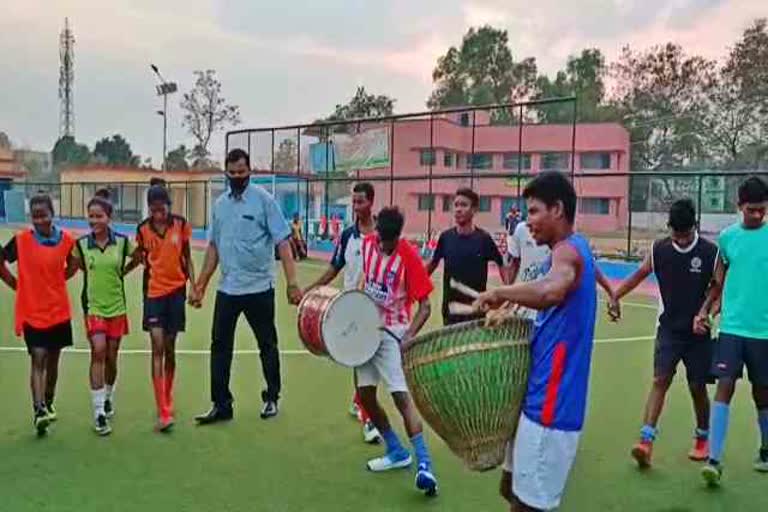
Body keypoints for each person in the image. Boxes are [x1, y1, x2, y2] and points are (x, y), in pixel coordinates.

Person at [473, 171, 597, 512]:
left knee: (528, 506)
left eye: (534, 212)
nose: (528, 223)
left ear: (557, 209)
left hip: (551, 410)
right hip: (536, 400)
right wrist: (510, 310)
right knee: (510, 488)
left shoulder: (568, 252)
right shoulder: (562, 252)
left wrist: (499, 291)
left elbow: (551, 290)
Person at [192, 148, 302, 424]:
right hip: (228, 288)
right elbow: (214, 247)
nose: (238, 177)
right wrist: (201, 285)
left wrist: (292, 283)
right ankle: (221, 404)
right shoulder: (220, 206)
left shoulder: (264, 201)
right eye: (233, 173)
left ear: (250, 171)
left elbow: (283, 242)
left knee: (267, 344)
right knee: (219, 346)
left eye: (242, 172)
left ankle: (272, 398)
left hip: (259, 288)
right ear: (226, 173)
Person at [610, 199, 717, 468]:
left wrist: (705, 313)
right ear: (669, 228)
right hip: (668, 328)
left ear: (695, 227)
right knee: (660, 379)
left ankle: (702, 438)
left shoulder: (709, 252)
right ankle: (646, 442)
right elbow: (639, 274)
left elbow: (719, 287)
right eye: (676, 235)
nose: (680, 241)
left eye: (685, 235)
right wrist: (616, 295)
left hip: (697, 334)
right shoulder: (660, 250)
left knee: (697, 387)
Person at [356, 206, 438, 497]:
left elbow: (425, 307)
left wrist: (409, 336)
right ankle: (395, 451)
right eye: (381, 238)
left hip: (393, 333)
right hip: (367, 330)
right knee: (364, 396)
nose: (383, 245)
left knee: (401, 397)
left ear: (398, 237)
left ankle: (425, 465)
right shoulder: (367, 245)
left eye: (389, 241)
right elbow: (364, 283)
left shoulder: (409, 257)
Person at [697, 176, 768, 485]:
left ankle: (765, 450)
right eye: (752, 209)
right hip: (731, 329)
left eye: (762, 210)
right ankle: (714, 459)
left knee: (762, 393)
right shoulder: (727, 239)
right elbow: (717, 283)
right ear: (739, 206)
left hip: (763, 332)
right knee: (724, 385)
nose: (757, 215)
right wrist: (705, 311)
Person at [302, 182, 380, 444]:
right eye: (354, 203)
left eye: (361, 202)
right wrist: (310, 290)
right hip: (351, 305)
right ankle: (363, 403)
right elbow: (334, 267)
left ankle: (368, 414)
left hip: (378, 307)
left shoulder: (383, 234)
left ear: (371, 202)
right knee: (360, 358)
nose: (357, 207)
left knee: (370, 359)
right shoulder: (348, 236)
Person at [0, 194, 79, 437]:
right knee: (38, 357)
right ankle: (38, 410)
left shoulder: (66, 240)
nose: (39, 220)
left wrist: (56, 281)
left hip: (57, 309)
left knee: (53, 360)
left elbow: (74, 265)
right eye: (35, 216)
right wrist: (16, 284)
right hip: (32, 310)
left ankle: (48, 400)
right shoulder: (21, 241)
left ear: (52, 214)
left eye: (43, 215)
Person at [71, 190, 135, 436]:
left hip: (117, 307)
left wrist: (123, 271)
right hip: (94, 307)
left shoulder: (123, 242)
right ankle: (98, 412)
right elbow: (73, 267)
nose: (94, 221)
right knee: (97, 350)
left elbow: (140, 256)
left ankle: (108, 396)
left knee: (111, 357)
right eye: (91, 216)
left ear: (109, 217)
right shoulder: (80, 245)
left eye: (99, 216)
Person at [133, 185, 195, 432]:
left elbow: (187, 257)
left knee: (170, 347)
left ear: (169, 206)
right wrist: (119, 270)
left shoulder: (181, 225)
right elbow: (139, 257)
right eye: (153, 209)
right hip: (153, 294)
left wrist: (195, 286)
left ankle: (167, 395)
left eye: (162, 208)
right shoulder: (142, 230)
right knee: (157, 345)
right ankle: (162, 409)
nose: (158, 213)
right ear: (149, 208)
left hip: (176, 293)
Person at [426, 188, 506, 325]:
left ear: (474, 209)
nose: (458, 209)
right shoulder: (446, 238)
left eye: (463, 205)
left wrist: (508, 295)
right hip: (450, 312)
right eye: (456, 205)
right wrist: (413, 287)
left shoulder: (484, 239)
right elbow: (431, 265)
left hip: (476, 312)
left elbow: (502, 266)